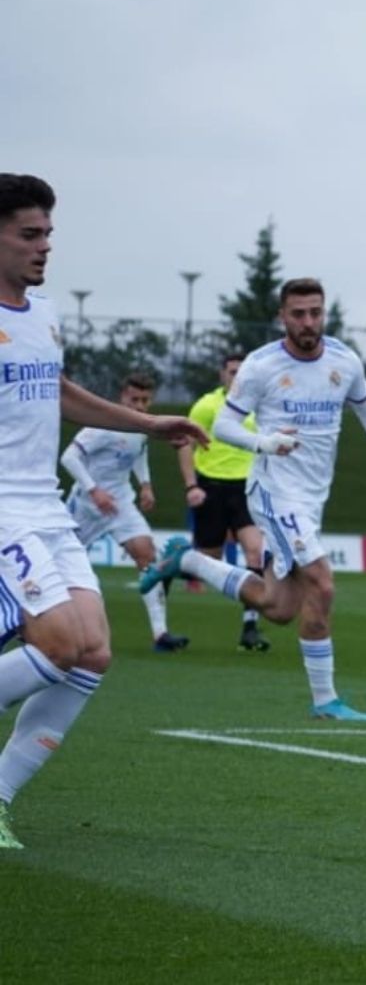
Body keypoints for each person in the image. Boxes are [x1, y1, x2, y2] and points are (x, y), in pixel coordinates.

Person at [0, 173, 208, 849]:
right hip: (3, 505)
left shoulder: (44, 314)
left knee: (92, 653)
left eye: (49, 234)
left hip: (44, 508)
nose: (45, 247)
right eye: (30, 234)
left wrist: (152, 427)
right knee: (56, 642)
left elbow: (60, 392)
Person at [143, 278, 366, 721]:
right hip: (273, 491)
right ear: (282, 317)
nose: (308, 322)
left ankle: (187, 562)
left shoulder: (344, 360)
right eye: (299, 314)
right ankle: (325, 700)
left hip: (312, 495)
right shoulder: (260, 365)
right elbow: (225, 428)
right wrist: (264, 443)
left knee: (280, 606)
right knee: (322, 583)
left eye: (315, 312)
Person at [61, 370, 190, 652]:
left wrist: (145, 485)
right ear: (123, 396)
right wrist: (94, 490)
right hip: (85, 505)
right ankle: (40, 622)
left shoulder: (141, 427)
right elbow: (69, 457)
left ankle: (160, 634)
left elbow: (139, 454)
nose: (140, 407)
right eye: (135, 400)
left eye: (145, 401)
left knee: (147, 555)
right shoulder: (102, 425)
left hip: (120, 503)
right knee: (59, 565)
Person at [178, 351, 272, 652]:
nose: (237, 376)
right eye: (232, 371)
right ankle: (172, 566)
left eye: (242, 372)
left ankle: (250, 628)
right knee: (209, 560)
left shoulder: (258, 408)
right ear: (222, 375)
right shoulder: (207, 406)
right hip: (211, 487)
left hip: (246, 489)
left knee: (255, 553)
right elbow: (183, 444)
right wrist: (191, 485)